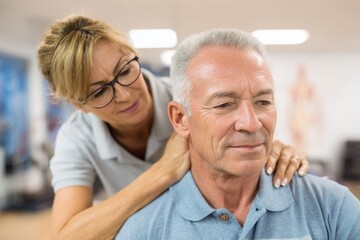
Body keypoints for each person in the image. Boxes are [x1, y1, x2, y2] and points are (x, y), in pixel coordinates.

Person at [37, 15, 309, 240]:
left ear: (133, 54)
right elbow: (66, 235)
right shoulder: (76, 137)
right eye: (99, 93)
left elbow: (246, 127)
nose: (124, 94)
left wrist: (272, 149)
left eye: (124, 71)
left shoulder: (190, 99)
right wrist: (163, 171)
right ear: (79, 104)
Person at [115, 29, 360, 239]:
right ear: (181, 119)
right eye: (224, 105)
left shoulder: (333, 206)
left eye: (263, 102)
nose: (251, 124)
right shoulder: (144, 230)